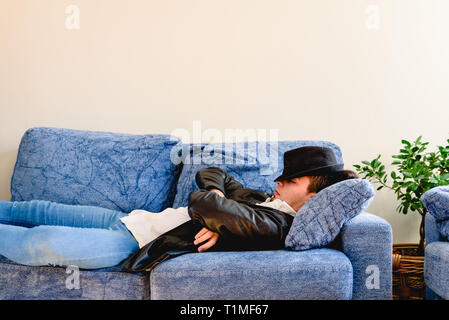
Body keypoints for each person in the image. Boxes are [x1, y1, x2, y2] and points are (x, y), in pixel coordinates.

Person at [0, 146, 357, 271]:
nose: (278, 181)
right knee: (39, 209)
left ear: (313, 194)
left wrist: (217, 207)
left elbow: (201, 199)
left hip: (134, 242)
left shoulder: (274, 224)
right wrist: (220, 213)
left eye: (290, 180)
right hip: (133, 219)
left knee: (42, 243)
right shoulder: (262, 201)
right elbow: (211, 173)